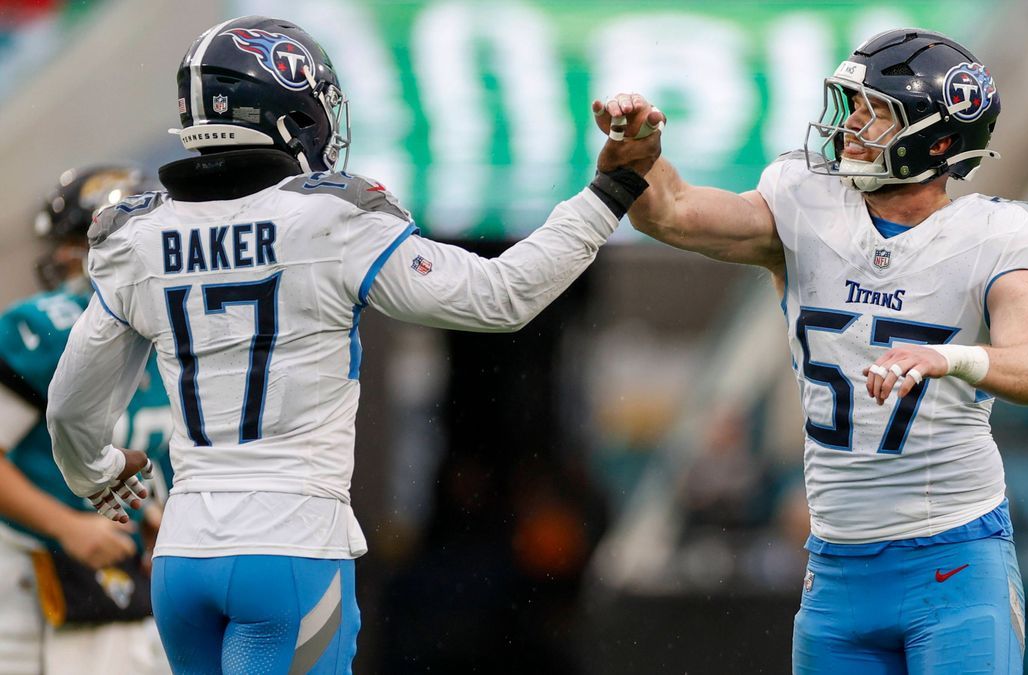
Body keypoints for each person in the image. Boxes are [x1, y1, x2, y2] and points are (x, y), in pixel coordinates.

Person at [46, 15, 662, 674]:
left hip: (182, 559)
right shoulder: (330, 218)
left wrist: (98, 473)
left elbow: (68, 408)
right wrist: (611, 191)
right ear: (282, 106)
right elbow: (501, 296)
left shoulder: (139, 236)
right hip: (290, 550)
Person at [593, 29, 1028, 674]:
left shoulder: (991, 235)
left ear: (936, 141)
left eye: (876, 110)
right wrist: (637, 159)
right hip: (836, 570)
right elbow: (673, 213)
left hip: (955, 561)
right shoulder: (806, 203)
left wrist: (950, 358)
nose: (850, 124)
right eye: (852, 104)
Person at [0, 165, 172, 674]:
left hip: (124, 580)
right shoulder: (44, 328)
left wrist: (160, 512)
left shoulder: (176, 327)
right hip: (26, 573)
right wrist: (66, 525)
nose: (61, 258)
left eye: (76, 239)